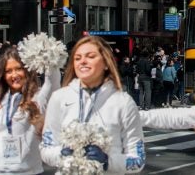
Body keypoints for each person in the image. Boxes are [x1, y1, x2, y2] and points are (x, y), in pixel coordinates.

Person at [40, 36, 145, 174]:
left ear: (106, 63)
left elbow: (138, 160)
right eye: (77, 58)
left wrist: (108, 161)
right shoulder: (59, 98)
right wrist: (61, 154)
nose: (82, 61)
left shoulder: (123, 102)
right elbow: (46, 149)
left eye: (90, 56)